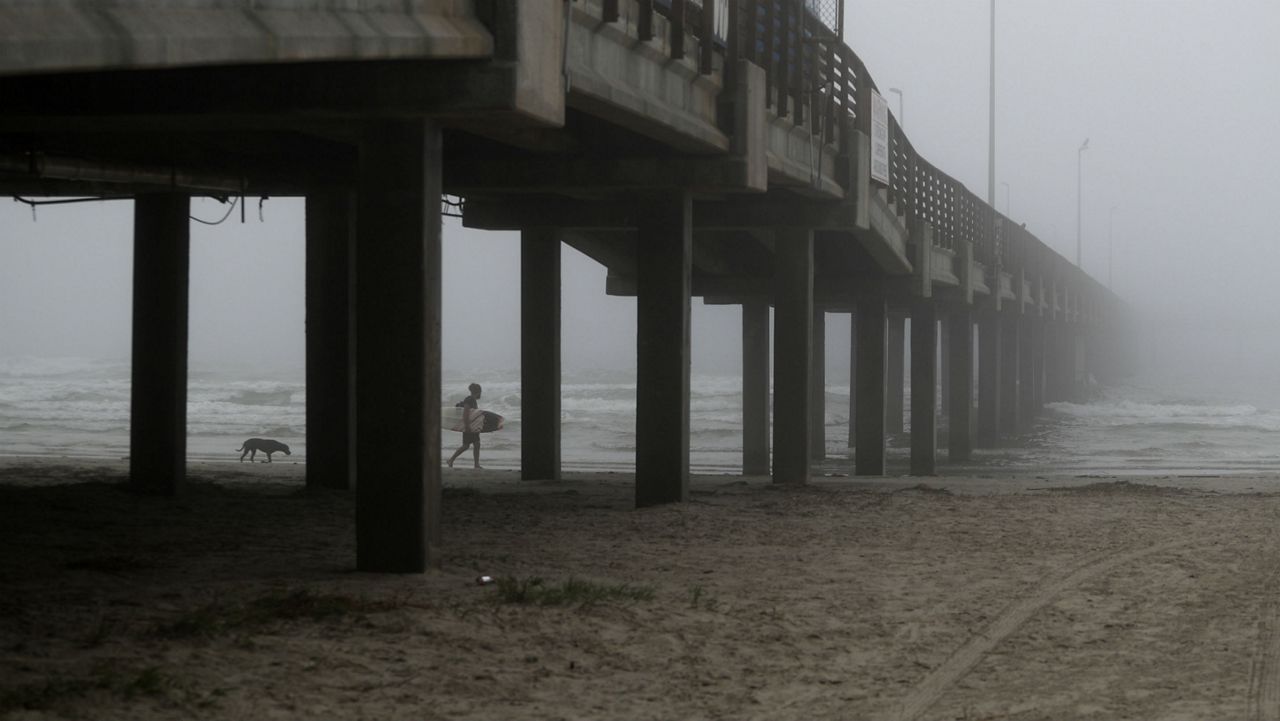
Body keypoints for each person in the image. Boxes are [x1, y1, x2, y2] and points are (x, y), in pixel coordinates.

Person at [447, 383, 484, 469]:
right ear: (478, 392)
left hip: (472, 426)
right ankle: (451, 460)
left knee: (474, 444)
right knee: (468, 445)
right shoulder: (469, 399)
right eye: (480, 392)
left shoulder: (472, 400)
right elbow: (466, 413)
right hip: (468, 426)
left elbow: (473, 415)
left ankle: (476, 464)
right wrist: (467, 426)